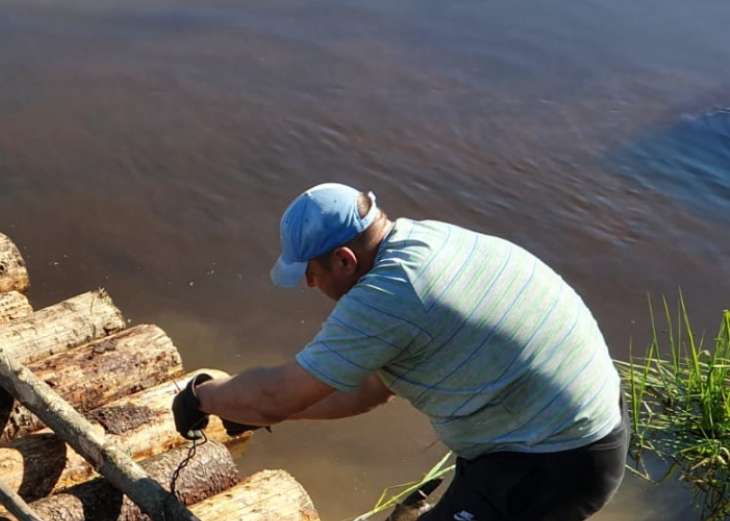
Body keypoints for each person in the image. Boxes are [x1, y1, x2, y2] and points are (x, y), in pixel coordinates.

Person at [173, 183, 627, 521]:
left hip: (551, 460)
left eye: (309, 273)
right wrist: (258, 411)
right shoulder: (425, 241)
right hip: (577, 429)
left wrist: (202, 397)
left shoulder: (388, 295)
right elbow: (367, 391)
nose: (308, 285)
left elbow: (276, 395)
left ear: (345, 260)